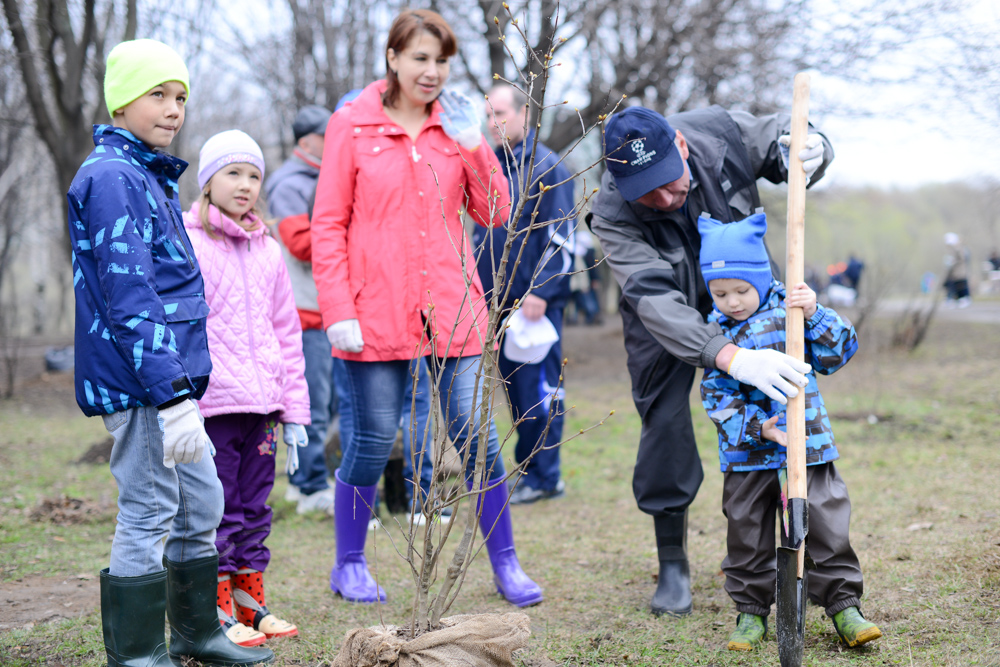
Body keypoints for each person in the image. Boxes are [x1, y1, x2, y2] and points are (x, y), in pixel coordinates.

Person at [310, 8, 542, 607]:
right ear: (392, 58)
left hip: (454, 308)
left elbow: (495, 211)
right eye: (420, 58)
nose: (432, 71)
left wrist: (474, 146)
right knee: (371, 439)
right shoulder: (353, 127)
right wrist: (338, 306)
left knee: (477, 438)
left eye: (441, 61)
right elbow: (329, 223)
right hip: (371, 313)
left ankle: (507, 564)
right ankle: (350, 564)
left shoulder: (456, 129)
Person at [67, 39, 272, 666]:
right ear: (121, 101)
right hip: (143, 384)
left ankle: (195, 634)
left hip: (172, 381)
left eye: (180, 96)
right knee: (151, 507)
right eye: (157, 93)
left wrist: (184, 389)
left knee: (201, 502)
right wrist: (173, 396)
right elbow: (131, 295)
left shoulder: (147, 174)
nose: (173, 108)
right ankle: (134, 653)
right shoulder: (110, 178)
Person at [587, 105, 833, 616]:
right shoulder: (612, 210)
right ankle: (672, 558)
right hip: (666, 312)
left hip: (747, 295)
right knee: (663, 418)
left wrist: (816, 150)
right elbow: (652, 297)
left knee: (772, 407)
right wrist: (728, 357)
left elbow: (781, 141)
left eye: (666, 181)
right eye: (644, 192)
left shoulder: (721, 133)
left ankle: (771, 535)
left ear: (679, 144)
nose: (661, 198)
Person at [697, 211, 882, 651]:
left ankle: (844, 607)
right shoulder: (716, 336)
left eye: (742, 290)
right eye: (720, 293)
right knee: (746, 531)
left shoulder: (792, 312)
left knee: (826, 524)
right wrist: (758, 426)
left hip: (808, 445)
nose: (733, 301)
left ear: (762, 278)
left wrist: (815, 313)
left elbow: (840, 352)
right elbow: (715, 400)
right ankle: (750, 612)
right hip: (748, 455)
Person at [184, 130, 309, 646]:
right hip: (213, 406)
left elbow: (288, 332)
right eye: (232, 173)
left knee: (256, 507)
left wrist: (296, 411)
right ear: (208, 181)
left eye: (254, 175)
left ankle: (250, 603)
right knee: (220, 510)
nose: (245, 185)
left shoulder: (269, 252)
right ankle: (214, 611)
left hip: (263, 406)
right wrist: (183, 400)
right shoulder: (188, 243)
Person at [475, 83, 574, 505]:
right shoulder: (493, 165)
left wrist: (542, 290)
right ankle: (529, 470)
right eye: (489, 116)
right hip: (494, 300)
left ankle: (545, 476)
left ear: (524, 115)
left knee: (540, 389)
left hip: (533, 303)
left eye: (501, 113)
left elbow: (562, 236)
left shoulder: (547, 166)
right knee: (514, 391)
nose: (494, 123)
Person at [264, 104, 339, 516]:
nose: (334, 144)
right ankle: (310, 487)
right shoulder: (290, 184)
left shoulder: (321, 179)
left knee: (324, 402)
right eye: (328, 136)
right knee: (310, 400)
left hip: (322, 308)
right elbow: (301, 244)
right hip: (301, 311)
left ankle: (300, 481)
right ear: (307, 141)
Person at [943, 232, 971, 308]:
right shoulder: (954, 249)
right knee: (954, 285)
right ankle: (955, 299)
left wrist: (953, 261)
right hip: (955, 272)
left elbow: (962, 259)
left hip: (960, 271)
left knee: (961, 285)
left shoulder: (959, 248)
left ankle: (965, 299)